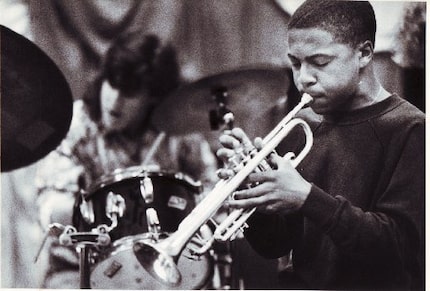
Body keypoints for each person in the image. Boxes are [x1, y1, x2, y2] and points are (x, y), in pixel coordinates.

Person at [216, 1, 424, 290]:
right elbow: (274, 245)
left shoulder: (411, 128)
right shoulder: (302, 127)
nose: (303, 79)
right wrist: (252, 192)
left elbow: (401, 250)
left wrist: (307, 197)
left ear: (363, 53)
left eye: (320, 62)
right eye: (295, 63)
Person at [35, 30, 218, 288]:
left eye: (130, 93)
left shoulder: (178, 130)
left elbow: (211, 189)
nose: (114, 100)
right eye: (111, 84)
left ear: (154, 96)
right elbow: (47, 209)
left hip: (162, 270)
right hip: (77, 269)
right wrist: (88, 212)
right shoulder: (78, 125)